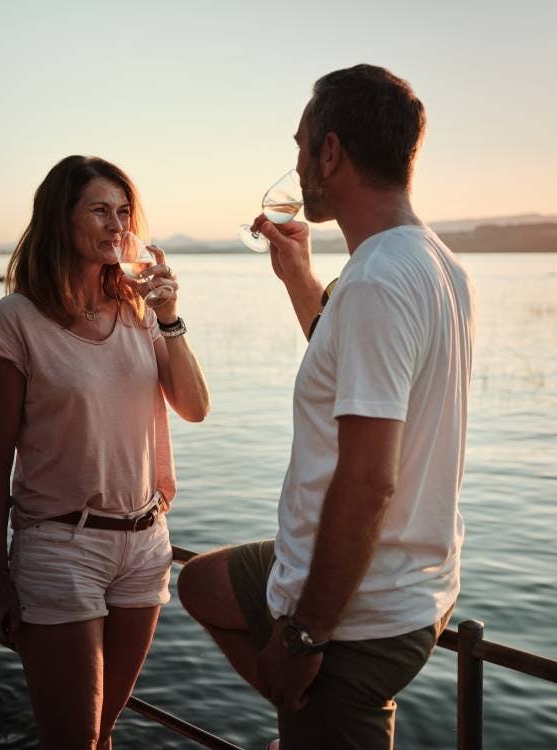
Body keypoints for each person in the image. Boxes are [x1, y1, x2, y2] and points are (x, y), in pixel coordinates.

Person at [178, 65, 476, 749]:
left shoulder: (376, 279)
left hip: (356, 613)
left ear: (330, 153)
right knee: (204, 584)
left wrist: (304, 636)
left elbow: (370, 479)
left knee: (293, 672)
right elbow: (356, 366)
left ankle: (310, 696)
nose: (297, 163)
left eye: (301, 145)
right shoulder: (436, 265)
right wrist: (298, 279)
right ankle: (308, 716)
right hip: (411, 580)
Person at [0, 155, 210, 749]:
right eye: (100, 210)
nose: (116, 225)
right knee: (74, 740)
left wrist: (171, 318)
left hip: (145, 544)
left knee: (103, 734)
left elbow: (195, 406)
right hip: (60, 546)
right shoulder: (15, 321)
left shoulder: (139, 313)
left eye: (124, 212)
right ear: (61, 218)